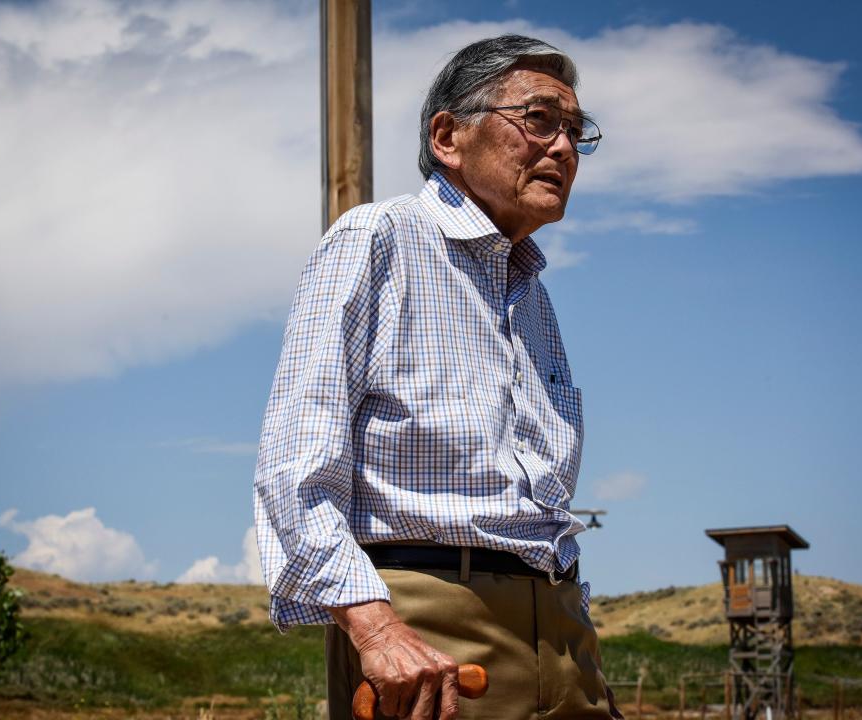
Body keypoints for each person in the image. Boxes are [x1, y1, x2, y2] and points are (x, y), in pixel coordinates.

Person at [254, 34, 619, 720]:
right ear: (449, 136)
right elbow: (296, 466)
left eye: (576, 131)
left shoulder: (532, 293)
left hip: (562, 633)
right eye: (539, 120)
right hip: (429, 637)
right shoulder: (376, 239)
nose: (565, 148)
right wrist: (378, 630)